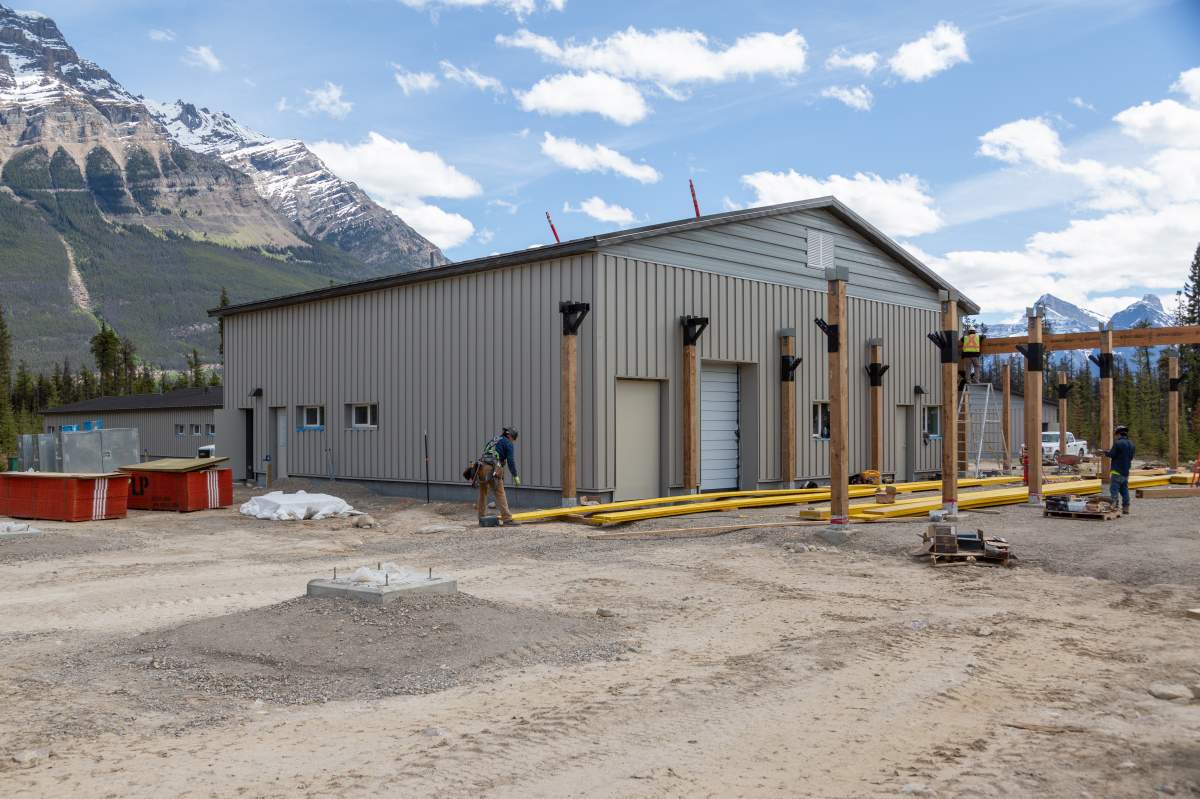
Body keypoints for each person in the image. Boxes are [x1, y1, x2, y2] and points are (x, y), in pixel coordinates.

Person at [474, 427, 521, 526]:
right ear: (509, 436)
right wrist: (515, 476)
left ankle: (481, 518)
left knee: (483, 493)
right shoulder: (508, 443)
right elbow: (511, 461)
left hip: (481, 466)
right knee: (500, 493)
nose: (513, 441)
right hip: (493, 468)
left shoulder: (495, 439)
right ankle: (507, 519)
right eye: (513, 438)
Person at [1103, 424, 1135, 515]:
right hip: (1126, 472)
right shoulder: (1131, 444)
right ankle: (1126, 508)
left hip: (1116, 472)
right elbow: (1131, 457)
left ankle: (1114, 507)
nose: (1116, 437)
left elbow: (1112, 454)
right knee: (1125, 491)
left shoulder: (1118, 443)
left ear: (1118, 434)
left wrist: (1105, 453)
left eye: (1116, 435)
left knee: (1114, 491)